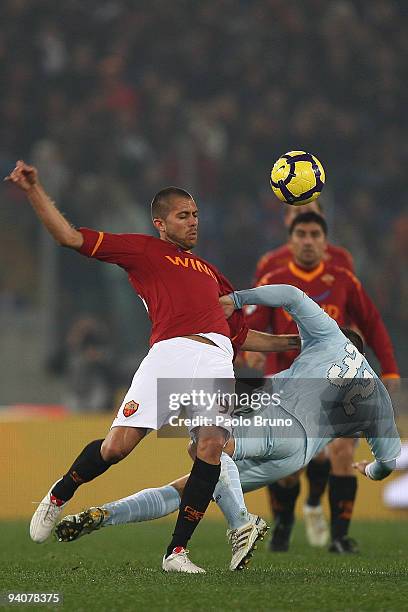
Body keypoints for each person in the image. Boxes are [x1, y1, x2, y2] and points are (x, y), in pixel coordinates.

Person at [5, 160, 296, 574]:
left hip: (215, 356)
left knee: (210, 447)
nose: (193, 223)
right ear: (161, 223)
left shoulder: (214, 274)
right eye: (183, 216)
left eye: (195, 215)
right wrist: (34, 190)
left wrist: (297, 342)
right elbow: (69, 237)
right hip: (168, 353)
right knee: (117, 447)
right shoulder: (143, 250)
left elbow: (242, 335)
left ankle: (176, 552)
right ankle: (60, 493)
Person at [55, 285, 401, 569]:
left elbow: (293, 296)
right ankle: (102, 516)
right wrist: (370, 470)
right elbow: (388, 460)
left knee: (204, 448)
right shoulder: (378, 398)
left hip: (279, 420)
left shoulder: (328, 337)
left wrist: (236, 299)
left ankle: (242, 524)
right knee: (196, 485)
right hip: (294, 455)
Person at [246, 212, 400, 552]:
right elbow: (250, 327)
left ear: (324, 241)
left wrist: (389, 370)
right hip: (290, 385)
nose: (308, 240)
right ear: (291, 240)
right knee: (287, 467)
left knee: (343, 451)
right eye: (301, 234)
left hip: (338, 382)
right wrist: (249, 354)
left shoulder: (343, 278)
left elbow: (372, 324)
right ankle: (284, 522)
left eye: (315, 234)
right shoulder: (274, 277)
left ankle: (340, 537)